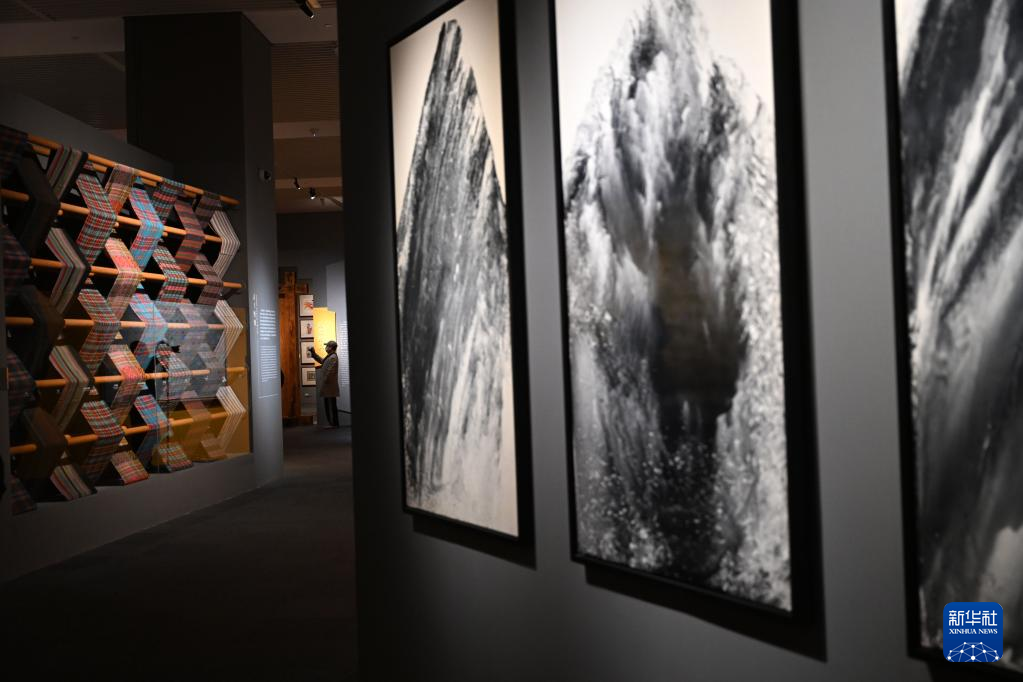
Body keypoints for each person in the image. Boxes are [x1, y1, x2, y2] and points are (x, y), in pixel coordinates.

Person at [308, 340, 340, 428]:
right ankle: (332, 423)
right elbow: (322, 361)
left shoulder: (333, 357)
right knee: (330, 405)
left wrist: (324, 380)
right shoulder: (330, 357)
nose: (326, 348)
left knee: (331, 406)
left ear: (331, 347)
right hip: (328, 386)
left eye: (327, 346)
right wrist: (314, 354)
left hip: (329, 387)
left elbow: (330, 371)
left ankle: (334, 424)